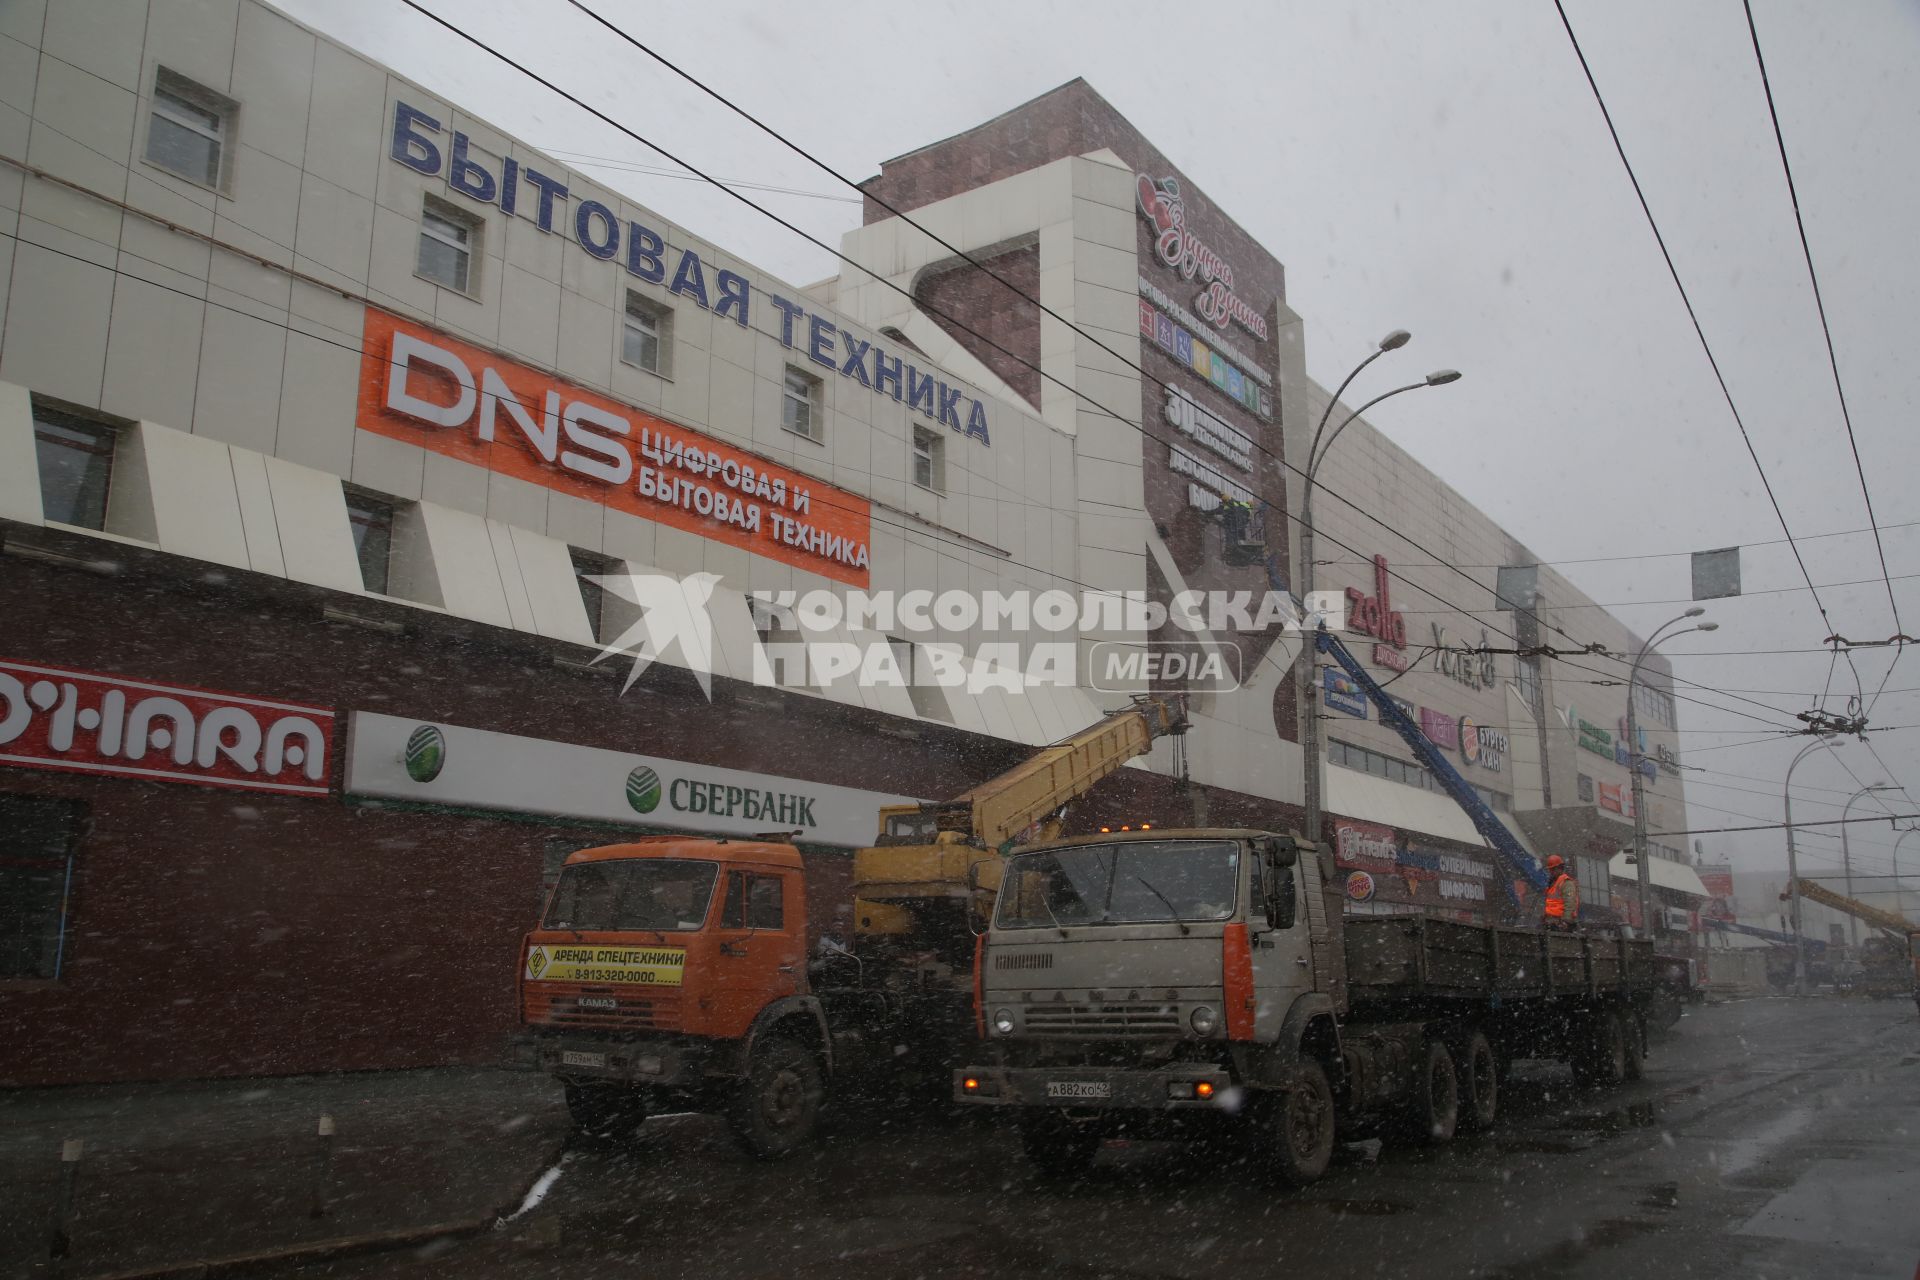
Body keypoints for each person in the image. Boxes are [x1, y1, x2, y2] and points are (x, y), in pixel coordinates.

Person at [1542, 855, 1580, 931]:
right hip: (1552, 921)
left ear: (1560, 868)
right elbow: (1550, 903)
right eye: (1550, 869)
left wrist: (1566, 921)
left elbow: (1570, 903)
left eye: (1553, 869)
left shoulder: (1566, 883)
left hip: (1560, 922)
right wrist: (1545, 916)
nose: (1551, 872)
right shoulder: (1553, 883)